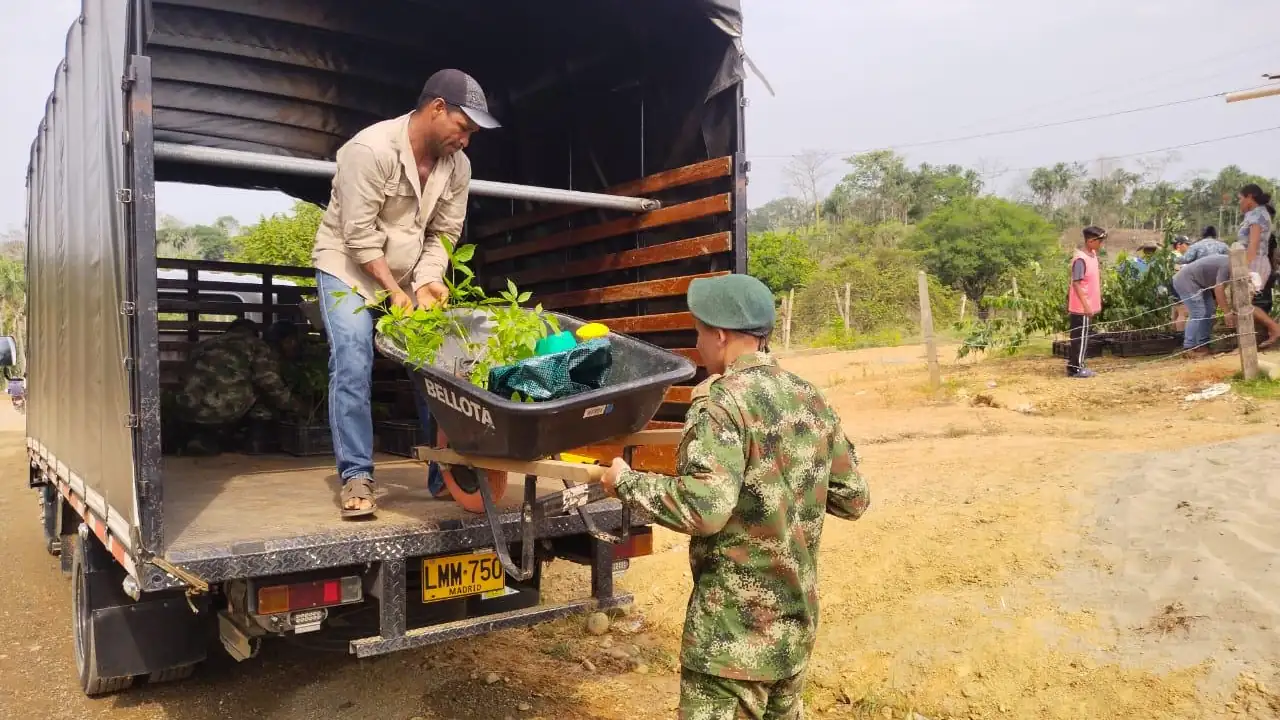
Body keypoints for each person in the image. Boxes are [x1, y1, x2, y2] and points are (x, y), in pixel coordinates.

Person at [599, 274, 870, 720]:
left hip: (732, 640)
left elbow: (704, 509)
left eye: (700, 331)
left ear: (720, 335)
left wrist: (625, 482)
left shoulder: (723, 404)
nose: (698, 343)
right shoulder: (809, 398)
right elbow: (853, 497)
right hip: (793, 634)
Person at [311, 69, 499, 518]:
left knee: (437, 368)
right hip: (349, 269)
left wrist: (430, 279)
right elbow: (357, 235)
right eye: (463, 128)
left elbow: (445, 231)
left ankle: (443, 471)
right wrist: (394, 291)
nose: (466, 140)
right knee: (354, 359)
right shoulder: (369, 150)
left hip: (409, 272)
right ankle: (357, 474)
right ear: (437, 109)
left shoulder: (458, 166)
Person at [175, 319, 300, 455]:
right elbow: (270, 384)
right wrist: (297, 407)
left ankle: (202, 438)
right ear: (253, 333)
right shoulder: (256, 345)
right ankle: (255, 442)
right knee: (264, 395)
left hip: (187, 410)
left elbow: (183, 376)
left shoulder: (203, 345)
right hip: (223, 411)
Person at [1171, 255, 1231, 358]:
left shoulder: (1230, 262)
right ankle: (1188, 348)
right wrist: (1227, 312)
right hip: (1186, 280)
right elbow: (1219, 289)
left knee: (1209, 310)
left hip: (1201, 284)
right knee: (1197, 312)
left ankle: (1202, 345)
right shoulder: (1227, 264)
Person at [1067, 226, 1106, 379]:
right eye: (1099, 241)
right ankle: (1076, 368)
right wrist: (1086, 305)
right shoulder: (1080, 259)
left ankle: (1077, 365)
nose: (1101, 244)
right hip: (1081, 307)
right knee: (1080, 338)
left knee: (1083, 337)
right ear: (1090, 241)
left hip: (1088, 305)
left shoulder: (1093, 255)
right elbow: (1076, 283)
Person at [1237, 184, 1274, 293]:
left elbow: (1253, 245)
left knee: (1244, 306)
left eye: (1240, 199)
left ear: (1249, 197)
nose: (1239, 202)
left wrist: (1241, 268)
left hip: (1253, 263)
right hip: (1252, 262)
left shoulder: (1257, 215)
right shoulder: (1254, 214)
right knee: (1244, 306)